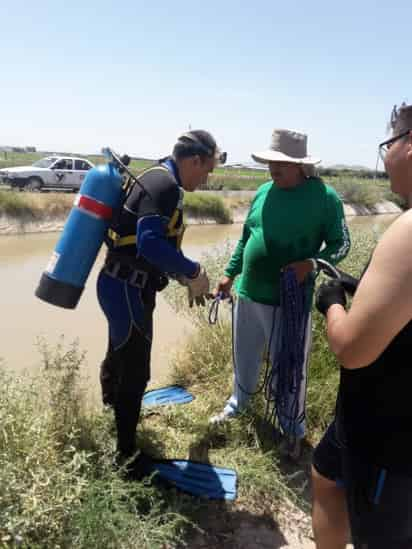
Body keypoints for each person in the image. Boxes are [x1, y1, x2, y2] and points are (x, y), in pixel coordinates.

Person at [210, 129, 350, 459]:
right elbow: (247, 238)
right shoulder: (262, 192)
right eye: (271, 161)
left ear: (301, 166)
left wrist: (312, 263)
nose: (273, 167)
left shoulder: (324, 197)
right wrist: (229, 274)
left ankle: (292, 430)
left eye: (281, 163)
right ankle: (238, 405)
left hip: (289, 302)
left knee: (289, 369)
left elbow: (341, 244)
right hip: (248, 295)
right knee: (244, 357)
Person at [312, 103, 412, 548]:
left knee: (380, 537)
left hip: (388, 434)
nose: (385, 156)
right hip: (365, 418)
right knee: (325, 475)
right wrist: (367, 289)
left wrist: (333, 303)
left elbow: (352, 349)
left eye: (387, 143)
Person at [97, 130, 225, 472]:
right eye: (207, 168)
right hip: (126, 289)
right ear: (193, 160)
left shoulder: (159, 178)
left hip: (124, 286)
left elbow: (160, 247)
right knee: (135, 371)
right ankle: (125, 456)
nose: (207, 176)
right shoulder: (164, 185)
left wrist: (184, 277)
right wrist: (195, 270)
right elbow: (149, 244)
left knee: (120, 355)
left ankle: (113, 417)